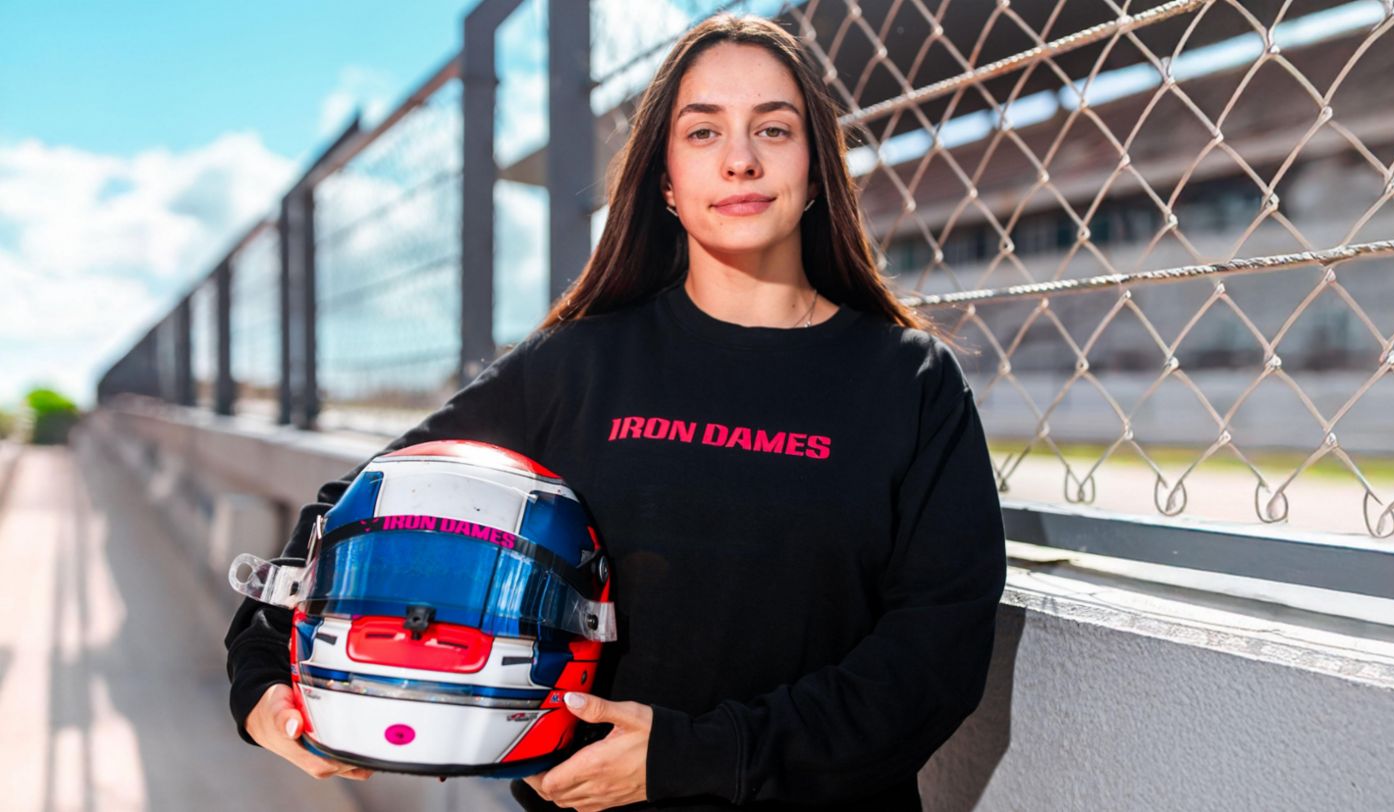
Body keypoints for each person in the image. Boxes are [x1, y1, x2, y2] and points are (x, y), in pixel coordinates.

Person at [224, 12, 1007, 812]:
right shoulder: (578, 365)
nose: (740, 160)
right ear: (665, 179)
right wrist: (260, 680)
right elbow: (363, 503)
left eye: (774, 129)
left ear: (816, 168)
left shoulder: (910, 381)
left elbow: (936, 656)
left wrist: (693, 758)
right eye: (703, 134)